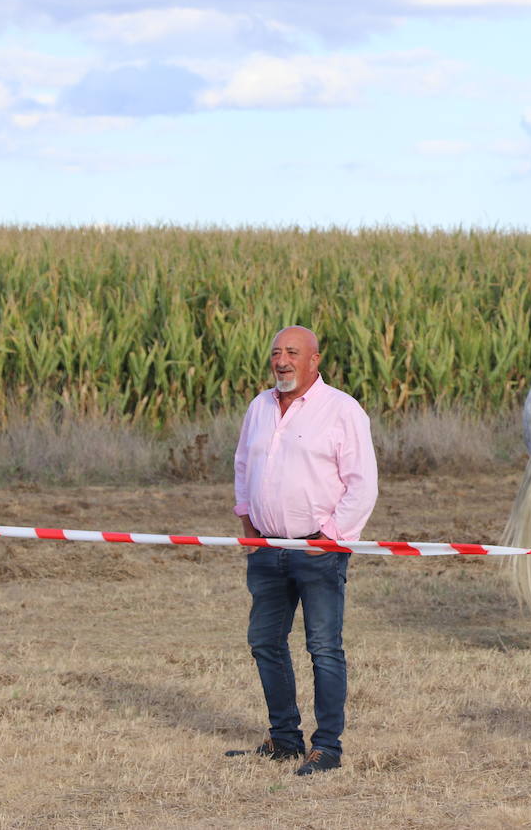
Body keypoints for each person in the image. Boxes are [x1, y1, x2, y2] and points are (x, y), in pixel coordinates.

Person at [231, 325, 378, 775]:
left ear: (314, 360)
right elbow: (243, 463)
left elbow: (362, 484)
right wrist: (247, 517)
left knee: (324, 648)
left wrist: (331, 536)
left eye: (292, 352)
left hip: (318, 551)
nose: (282, 360)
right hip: (266, 549)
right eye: (276, 352)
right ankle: (284, 739)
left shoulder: (341, 410)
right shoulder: (260, 406)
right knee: (265, 642)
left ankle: (327, 747)